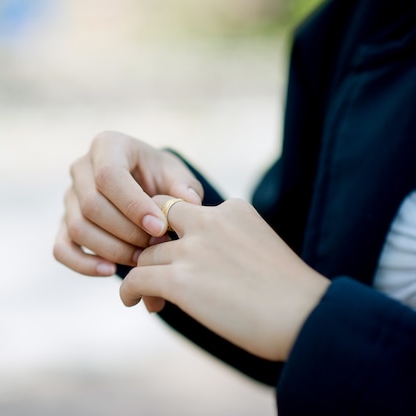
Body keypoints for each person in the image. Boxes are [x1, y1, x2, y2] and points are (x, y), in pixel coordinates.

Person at [53, 0, 416, 414]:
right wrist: (146, 208)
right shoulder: (359, 23)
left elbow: (300, 306)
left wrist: (316, 319)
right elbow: (283, 305)